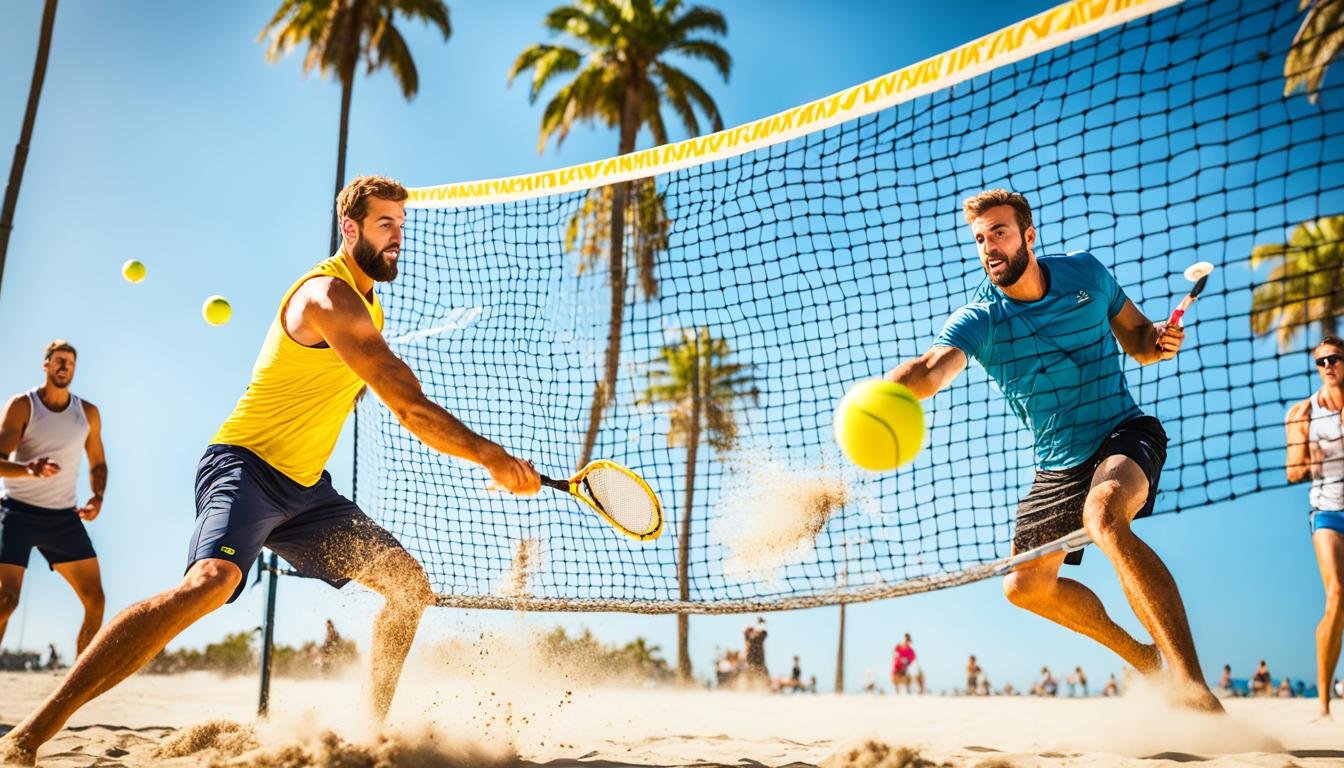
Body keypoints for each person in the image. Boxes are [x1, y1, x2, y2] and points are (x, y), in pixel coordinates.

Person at [0, 176, 540, 765]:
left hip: (307, 490)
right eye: (385, 225)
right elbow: (405, 401)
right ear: (350, 228)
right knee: (207, 587)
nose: (397, 238)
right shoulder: (326, 296)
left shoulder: (368, 305)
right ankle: (29, 735)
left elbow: (343, 389)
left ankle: (369, 734)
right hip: (245, 469)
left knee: (408, 588)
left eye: (402, 226)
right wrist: (491, 454)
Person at [885, 189, 1219, 711]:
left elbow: (1140, 342)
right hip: (1057, 464)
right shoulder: (980, 319)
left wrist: (1160, 340)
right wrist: (882, 393)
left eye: (998, 232)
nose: (989, 246)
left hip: (1123, 432)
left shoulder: (1086, 274)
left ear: (1028, 236)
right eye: (979, 239)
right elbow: (932, 369)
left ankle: (1193, 686)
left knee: (1105, 517)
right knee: (1024, 587)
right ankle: (1146, 659)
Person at [0, 340, 109, 657]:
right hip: (16, 513)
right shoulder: (23, 405)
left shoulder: (87, 413)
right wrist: (28, 470)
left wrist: (97, 497)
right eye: (59, 360)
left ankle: (77, 679)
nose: (65, 366)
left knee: (96, 600)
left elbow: (98, 463)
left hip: (62, 517)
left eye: (71, 362)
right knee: (7, 601)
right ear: (45, 365)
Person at [1284, 335, 1344, 718]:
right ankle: (1323, 704)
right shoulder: (1301, 413)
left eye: (1335, 359)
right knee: (1336, 593)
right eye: (1321, 362)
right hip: (1327, 511)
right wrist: (1310, 454)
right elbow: (1294, 473)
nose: (1328, 367)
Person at [743, 617, 769, 687]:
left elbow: (764, 632)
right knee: (752, 674)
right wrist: (761, 623)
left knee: (760, 674)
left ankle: (763, 687)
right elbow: (763, 632)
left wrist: (761, 624)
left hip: (757, 660)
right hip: (754, 660)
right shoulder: (750, 637)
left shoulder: (755, 636)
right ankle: (751, 687)